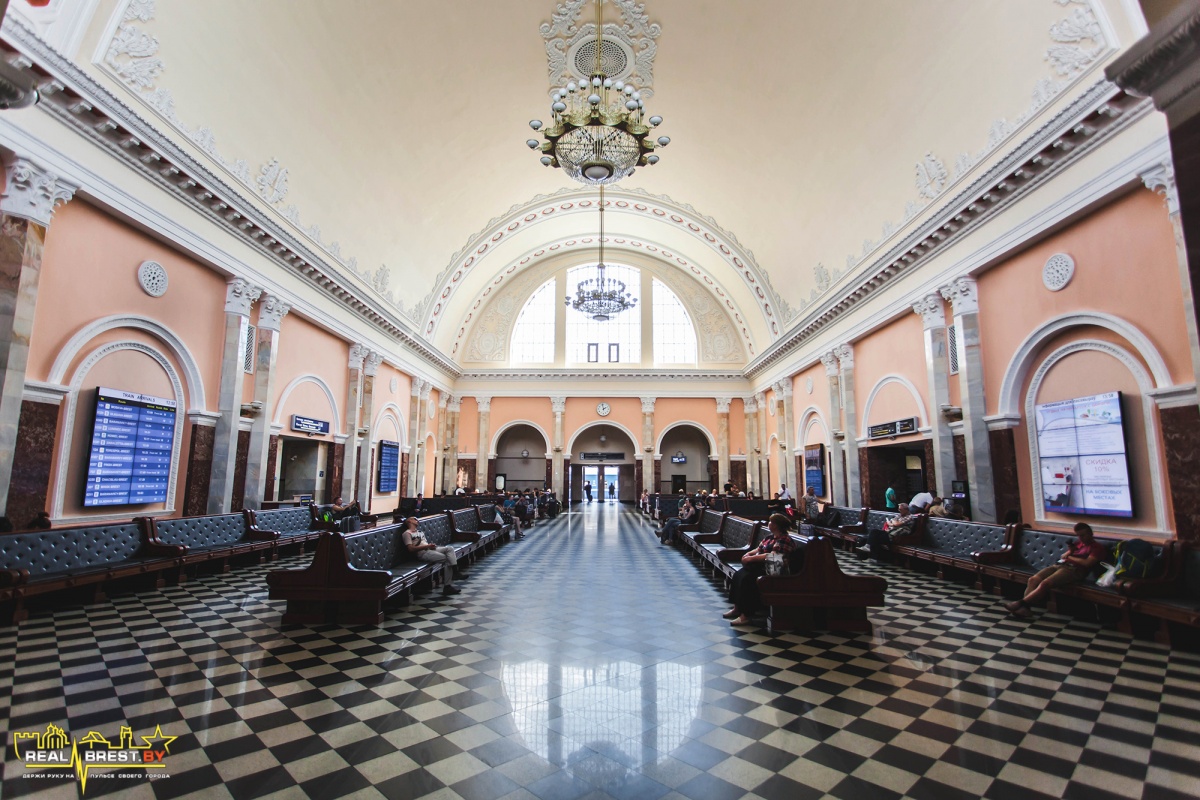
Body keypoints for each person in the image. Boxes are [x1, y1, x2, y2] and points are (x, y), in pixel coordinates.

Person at [1005, 523, 1104, 619]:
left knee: (1045, 584)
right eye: (1078, 535)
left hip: (1074, 570)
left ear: (1090, 533)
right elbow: (1063, 556)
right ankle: (1025, 608)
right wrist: (1070, 551)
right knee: (1033, 579)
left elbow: (1087, 563)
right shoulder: (1079, 543)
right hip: (1059, 565)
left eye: (1083, 535)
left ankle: (1021, 603)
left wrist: (1070, 557)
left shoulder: (1097, 547)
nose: (1081, 538)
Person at [724, 513, 796, 626]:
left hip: (773, 571)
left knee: (747, 580)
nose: (769, 523)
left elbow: (772, 556)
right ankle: (737, 608)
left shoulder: (784, 539)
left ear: (776, 525)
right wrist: (748, 554)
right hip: (760, 566)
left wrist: (751, 559)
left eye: (771, 522)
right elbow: (758, 549)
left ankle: (746, 615)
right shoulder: (770, 537)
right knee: (738, 575)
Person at [401, 516, 464, 596]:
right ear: (409, 521)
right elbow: (410, 549)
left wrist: (431, 546)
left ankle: (455, 571)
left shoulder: (420, 532)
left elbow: (425, 543)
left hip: (429, 550)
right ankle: (447, 586)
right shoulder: (407, 533)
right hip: (422, 553)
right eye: (414, 519)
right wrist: (427, 546)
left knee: (450, 549)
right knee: (448, 559)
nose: (417, 520)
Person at [855, 503, 919, 560]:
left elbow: (896, 524)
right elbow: (890, 522)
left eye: (900, 509)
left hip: (895, 536)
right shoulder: (899, 515)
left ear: (906, 510)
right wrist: (893, 523)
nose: (899, 511)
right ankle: (866, 556)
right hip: (889, 532)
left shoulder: (909, 517)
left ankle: (870, 551)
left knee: (874, 535)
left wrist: (893, 523)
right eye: (899, 509)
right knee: (866, 537)